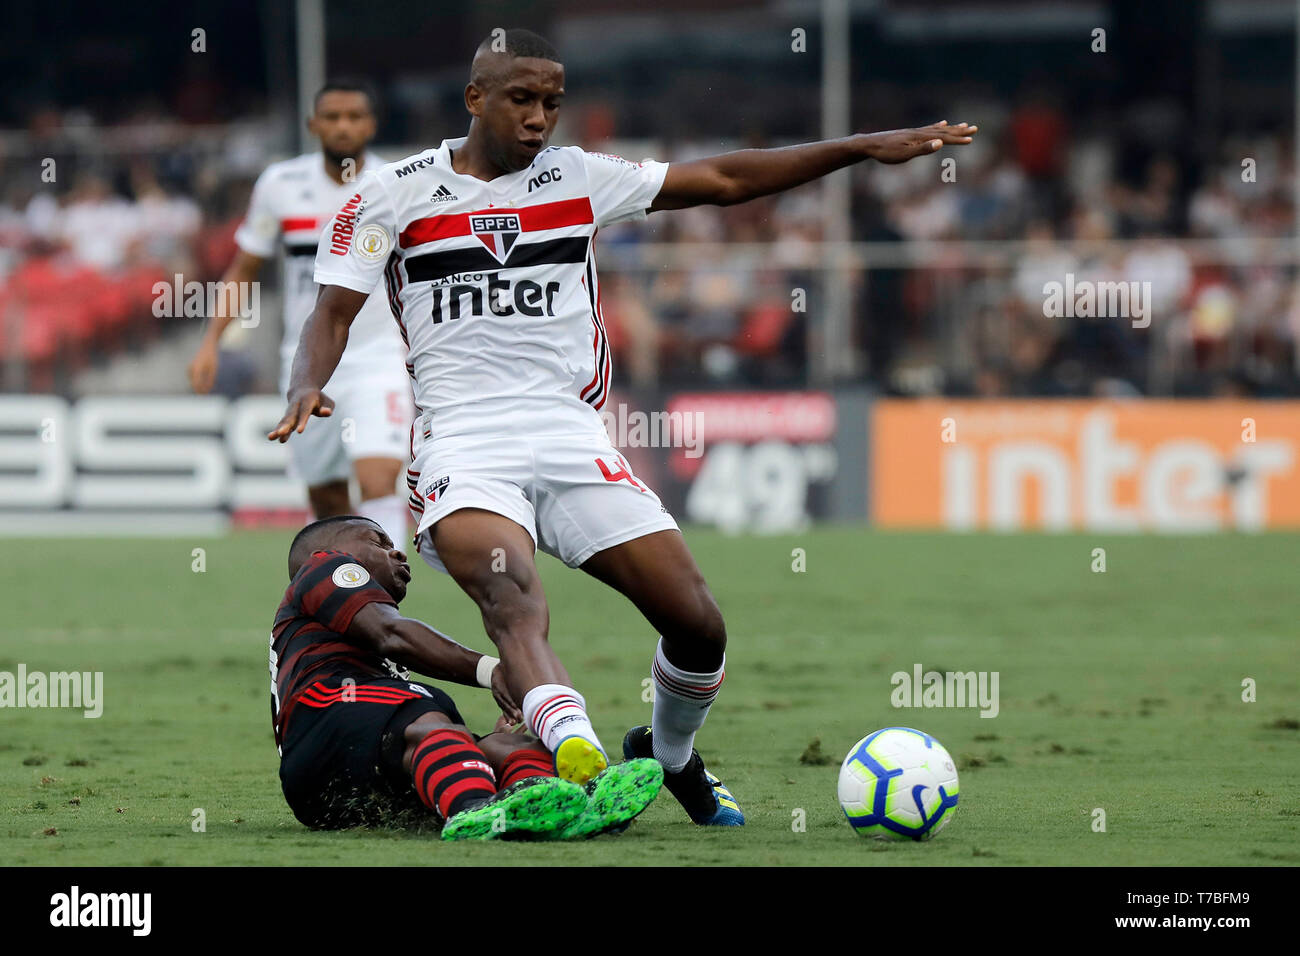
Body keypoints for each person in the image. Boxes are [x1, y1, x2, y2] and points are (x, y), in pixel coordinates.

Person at [269, 28, 977, 827]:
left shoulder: (580, 178)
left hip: (571, 435)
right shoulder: (389, 196)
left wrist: (860, 147)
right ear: (476, 98)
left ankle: (667, 757)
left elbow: (725, 177)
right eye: (522, 99)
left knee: (697, 622)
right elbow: (331, 311)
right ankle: (581, 752)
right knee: (508, 589)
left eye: (552, 103)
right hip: (463, 440)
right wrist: (304, 384)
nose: (540, 119)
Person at [271, 514, 663, 840]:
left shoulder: (364, 670)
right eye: (378, 541)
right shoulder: (322, 565)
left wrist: (499, 735)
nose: (398, 552)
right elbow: (391, 634)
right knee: (423, 710)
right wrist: (492, 670)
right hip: (318, 736)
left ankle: (561, 809)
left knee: (508, 747)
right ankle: (473, 811)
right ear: (330, 549)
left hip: (347, 790)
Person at [190, 80, 413, 547]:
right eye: (331, 117)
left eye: (354, 116)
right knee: (328, 493)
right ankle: (345, 591)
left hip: (380, 356)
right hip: (307, 360)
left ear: (371, 124)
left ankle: (386, 596)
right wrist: (211, 341)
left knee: (378, 479)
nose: (343, 126)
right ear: (314, 125)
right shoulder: (280, 185)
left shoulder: (398, 185)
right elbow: (245, 267)